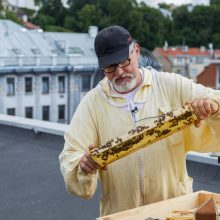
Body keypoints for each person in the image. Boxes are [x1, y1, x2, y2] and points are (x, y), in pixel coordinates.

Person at [59, 25, 220, 217]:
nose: (119, 72)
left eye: (124, 62)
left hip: (175, 208)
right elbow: (71, 154)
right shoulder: (92, 103)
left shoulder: (170, 85)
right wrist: (83, 165)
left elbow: (215, 99)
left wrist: (211, 105)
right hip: (124, 212)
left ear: (136, 51)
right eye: (110, 67)